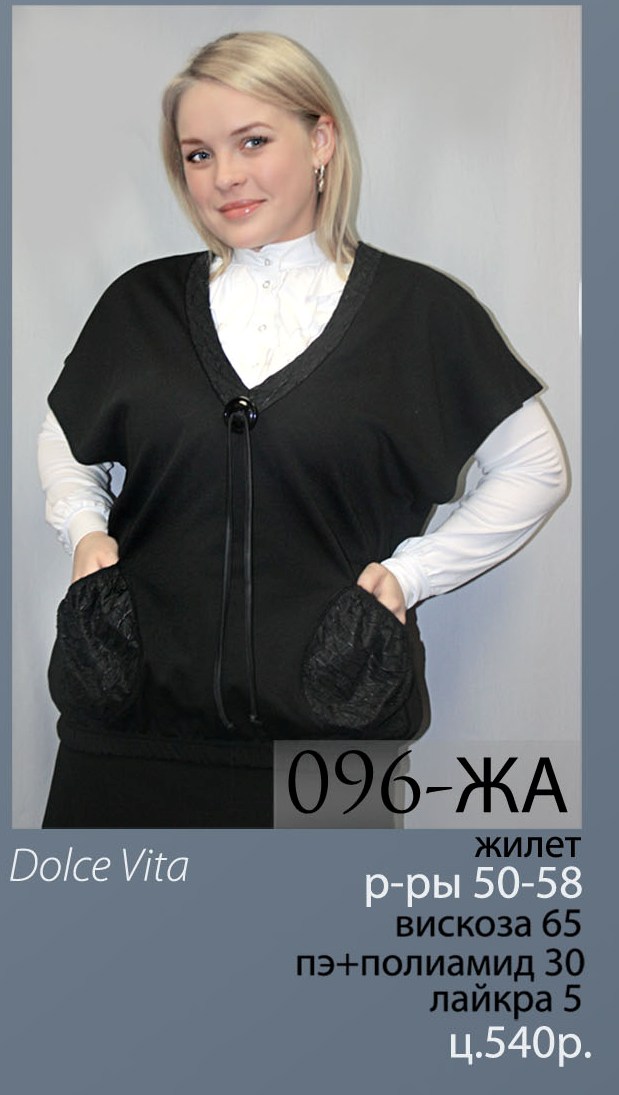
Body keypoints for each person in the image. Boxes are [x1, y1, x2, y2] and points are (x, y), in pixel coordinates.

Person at [38, 31, 567, 828]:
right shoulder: (137, 305)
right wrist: (85, 530)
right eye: (197, 154)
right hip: (124, 735)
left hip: (330, 750)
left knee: (314, 917)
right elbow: (64, 434)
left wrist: (412, 574)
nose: (224, 176)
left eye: (252, 141)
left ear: (321, 140)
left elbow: (535, 468)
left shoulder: (419, 314)